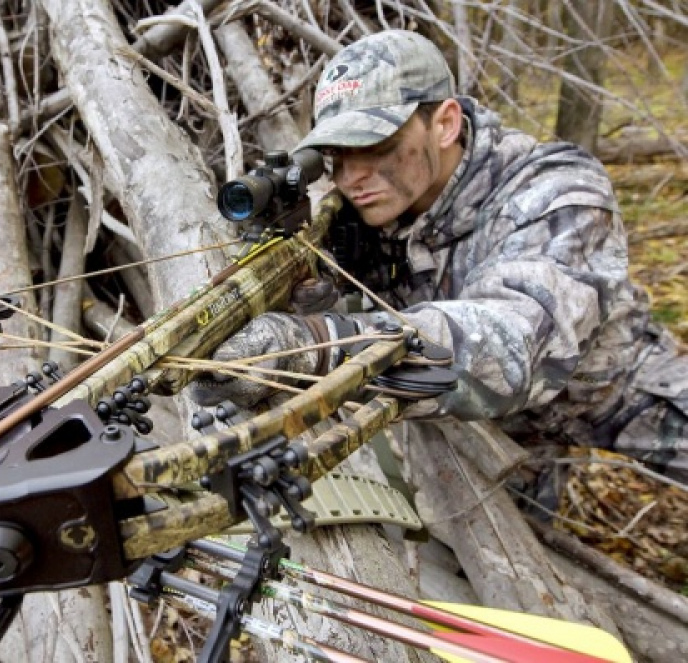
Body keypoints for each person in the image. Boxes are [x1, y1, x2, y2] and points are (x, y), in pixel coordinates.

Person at [189, 29, 687, 484]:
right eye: (338, 156)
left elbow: (513, 348)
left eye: (376, 146)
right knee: (516, 554)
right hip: (489, 427)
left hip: (609, 391)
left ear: (445, 123)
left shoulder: (557, 191)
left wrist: (316, 343)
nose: (349, 177)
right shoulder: (363, 206)